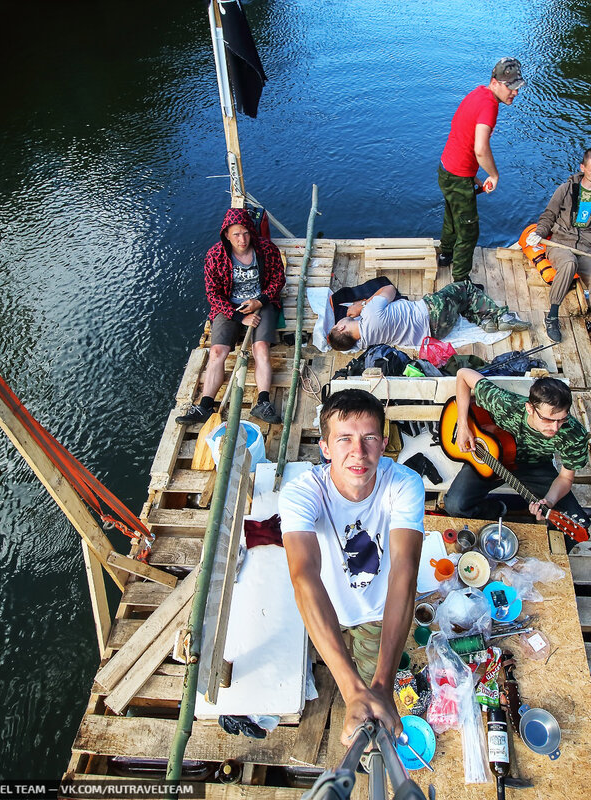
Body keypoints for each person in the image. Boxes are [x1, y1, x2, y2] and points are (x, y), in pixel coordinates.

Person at [279, 389, 425, 743]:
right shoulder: (301, 492)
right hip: (325, 605)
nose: (358, 453)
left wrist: (382, 686)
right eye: (344, 439)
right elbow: (303, 576)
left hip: (377, 611)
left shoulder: (405, 484)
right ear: (325, 447)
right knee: (335, 660)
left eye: (369, 438)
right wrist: (352, 691)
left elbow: (404, 575)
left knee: (373, 663)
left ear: (385, 441)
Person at [447, 368, 591, 535]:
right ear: (529, 408)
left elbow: (565, 477)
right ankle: (496, 510)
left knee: (577, 523)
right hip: (492, 455)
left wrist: (549, 501)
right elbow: (463, 374)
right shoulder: (505, 404)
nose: (555, 428)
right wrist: (463, 425)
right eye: (547, 419)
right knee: (454, 505)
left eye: (561, 420)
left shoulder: (574, 435)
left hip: (535, 465)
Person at [177, 208, 285, 425]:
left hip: (260, 302)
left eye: (245, 233)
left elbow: (278, 279)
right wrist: (237, 318)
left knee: (261, 348)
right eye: (236, 234)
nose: (242, 239)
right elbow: (213, 294)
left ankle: (263, 402)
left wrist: (260, 301)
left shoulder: (266, 249)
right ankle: (205, 406)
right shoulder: (215, 256)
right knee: (217, 352)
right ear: (226, 235)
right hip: (229, 306)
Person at [526, 147, 591, 358]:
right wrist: (539, 233)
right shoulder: (566, 189)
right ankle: (552, 316)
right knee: (568, 264)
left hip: (586, 250)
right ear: (583, 168)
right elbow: (548, 215)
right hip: (560, 243)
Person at [437, 57, 525, 283]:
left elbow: (461, 139)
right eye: (510, 87)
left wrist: (474, 178)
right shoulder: (489, 106)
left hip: (448, 170)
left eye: (517, 87)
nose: (514, 93)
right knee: (468, 231)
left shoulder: (477, 94)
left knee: (451, 216)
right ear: (495, 82)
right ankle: (460, 283)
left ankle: (446, 255)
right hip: (457, 177)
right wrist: (494, 175)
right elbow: (480, 148)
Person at [325, 277, 529, 352]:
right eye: (338, 323)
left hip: (435, 334)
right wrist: (361, 304)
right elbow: (389, 289)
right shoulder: (370, 312)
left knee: (461, 305)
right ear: (341, 327)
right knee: (465, 288)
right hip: (434, 312)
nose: (340, 320)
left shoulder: (366, 342)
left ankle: (485, 322)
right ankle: (497, 316)